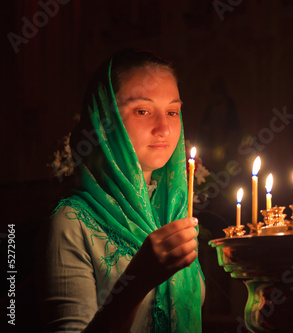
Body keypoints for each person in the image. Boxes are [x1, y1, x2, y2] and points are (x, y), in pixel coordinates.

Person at [36, 49, 205, 332]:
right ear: (105, 120)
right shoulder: (70, 224)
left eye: (172, 111)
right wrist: (137, 280)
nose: (163, 128)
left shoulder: (174, 212)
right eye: (142, 111)